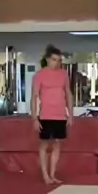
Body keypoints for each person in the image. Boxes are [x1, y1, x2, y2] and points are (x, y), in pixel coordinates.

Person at [31, 45, 74, 185]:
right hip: (45, 115)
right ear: (48, 59)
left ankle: (52, 174)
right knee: (44, 145)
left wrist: (71, 115)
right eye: (54, 60)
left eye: (59, 60)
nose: (57, 63)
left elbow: (68, 94)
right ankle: (45, 175)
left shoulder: (64, 74)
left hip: (60, 115)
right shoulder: (39, 75)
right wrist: (34, 118)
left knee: (57, 144)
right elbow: (34, 97)